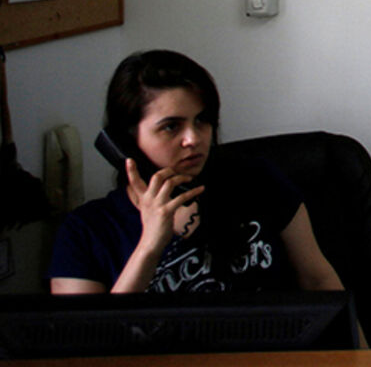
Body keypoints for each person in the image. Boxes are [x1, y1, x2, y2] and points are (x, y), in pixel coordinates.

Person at [49, 50, 346, 297]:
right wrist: (150, 246)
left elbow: (319, 281)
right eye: (171, 126)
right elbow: (88, 346)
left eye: (202, 120)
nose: (194, 138)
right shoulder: (85, 232)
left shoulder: (259, 182)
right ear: (126, 141)